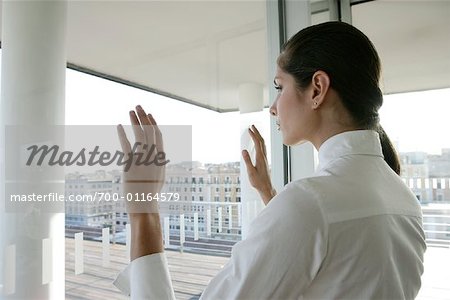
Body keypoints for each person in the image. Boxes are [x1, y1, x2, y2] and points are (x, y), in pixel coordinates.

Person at [114, 21, 426, 299]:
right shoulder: (403, 198)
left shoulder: (309, 204)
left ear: (317, 88)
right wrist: (271, 197)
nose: (273, 107)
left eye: (280, 87)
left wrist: (144, 212)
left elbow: (314, 223)